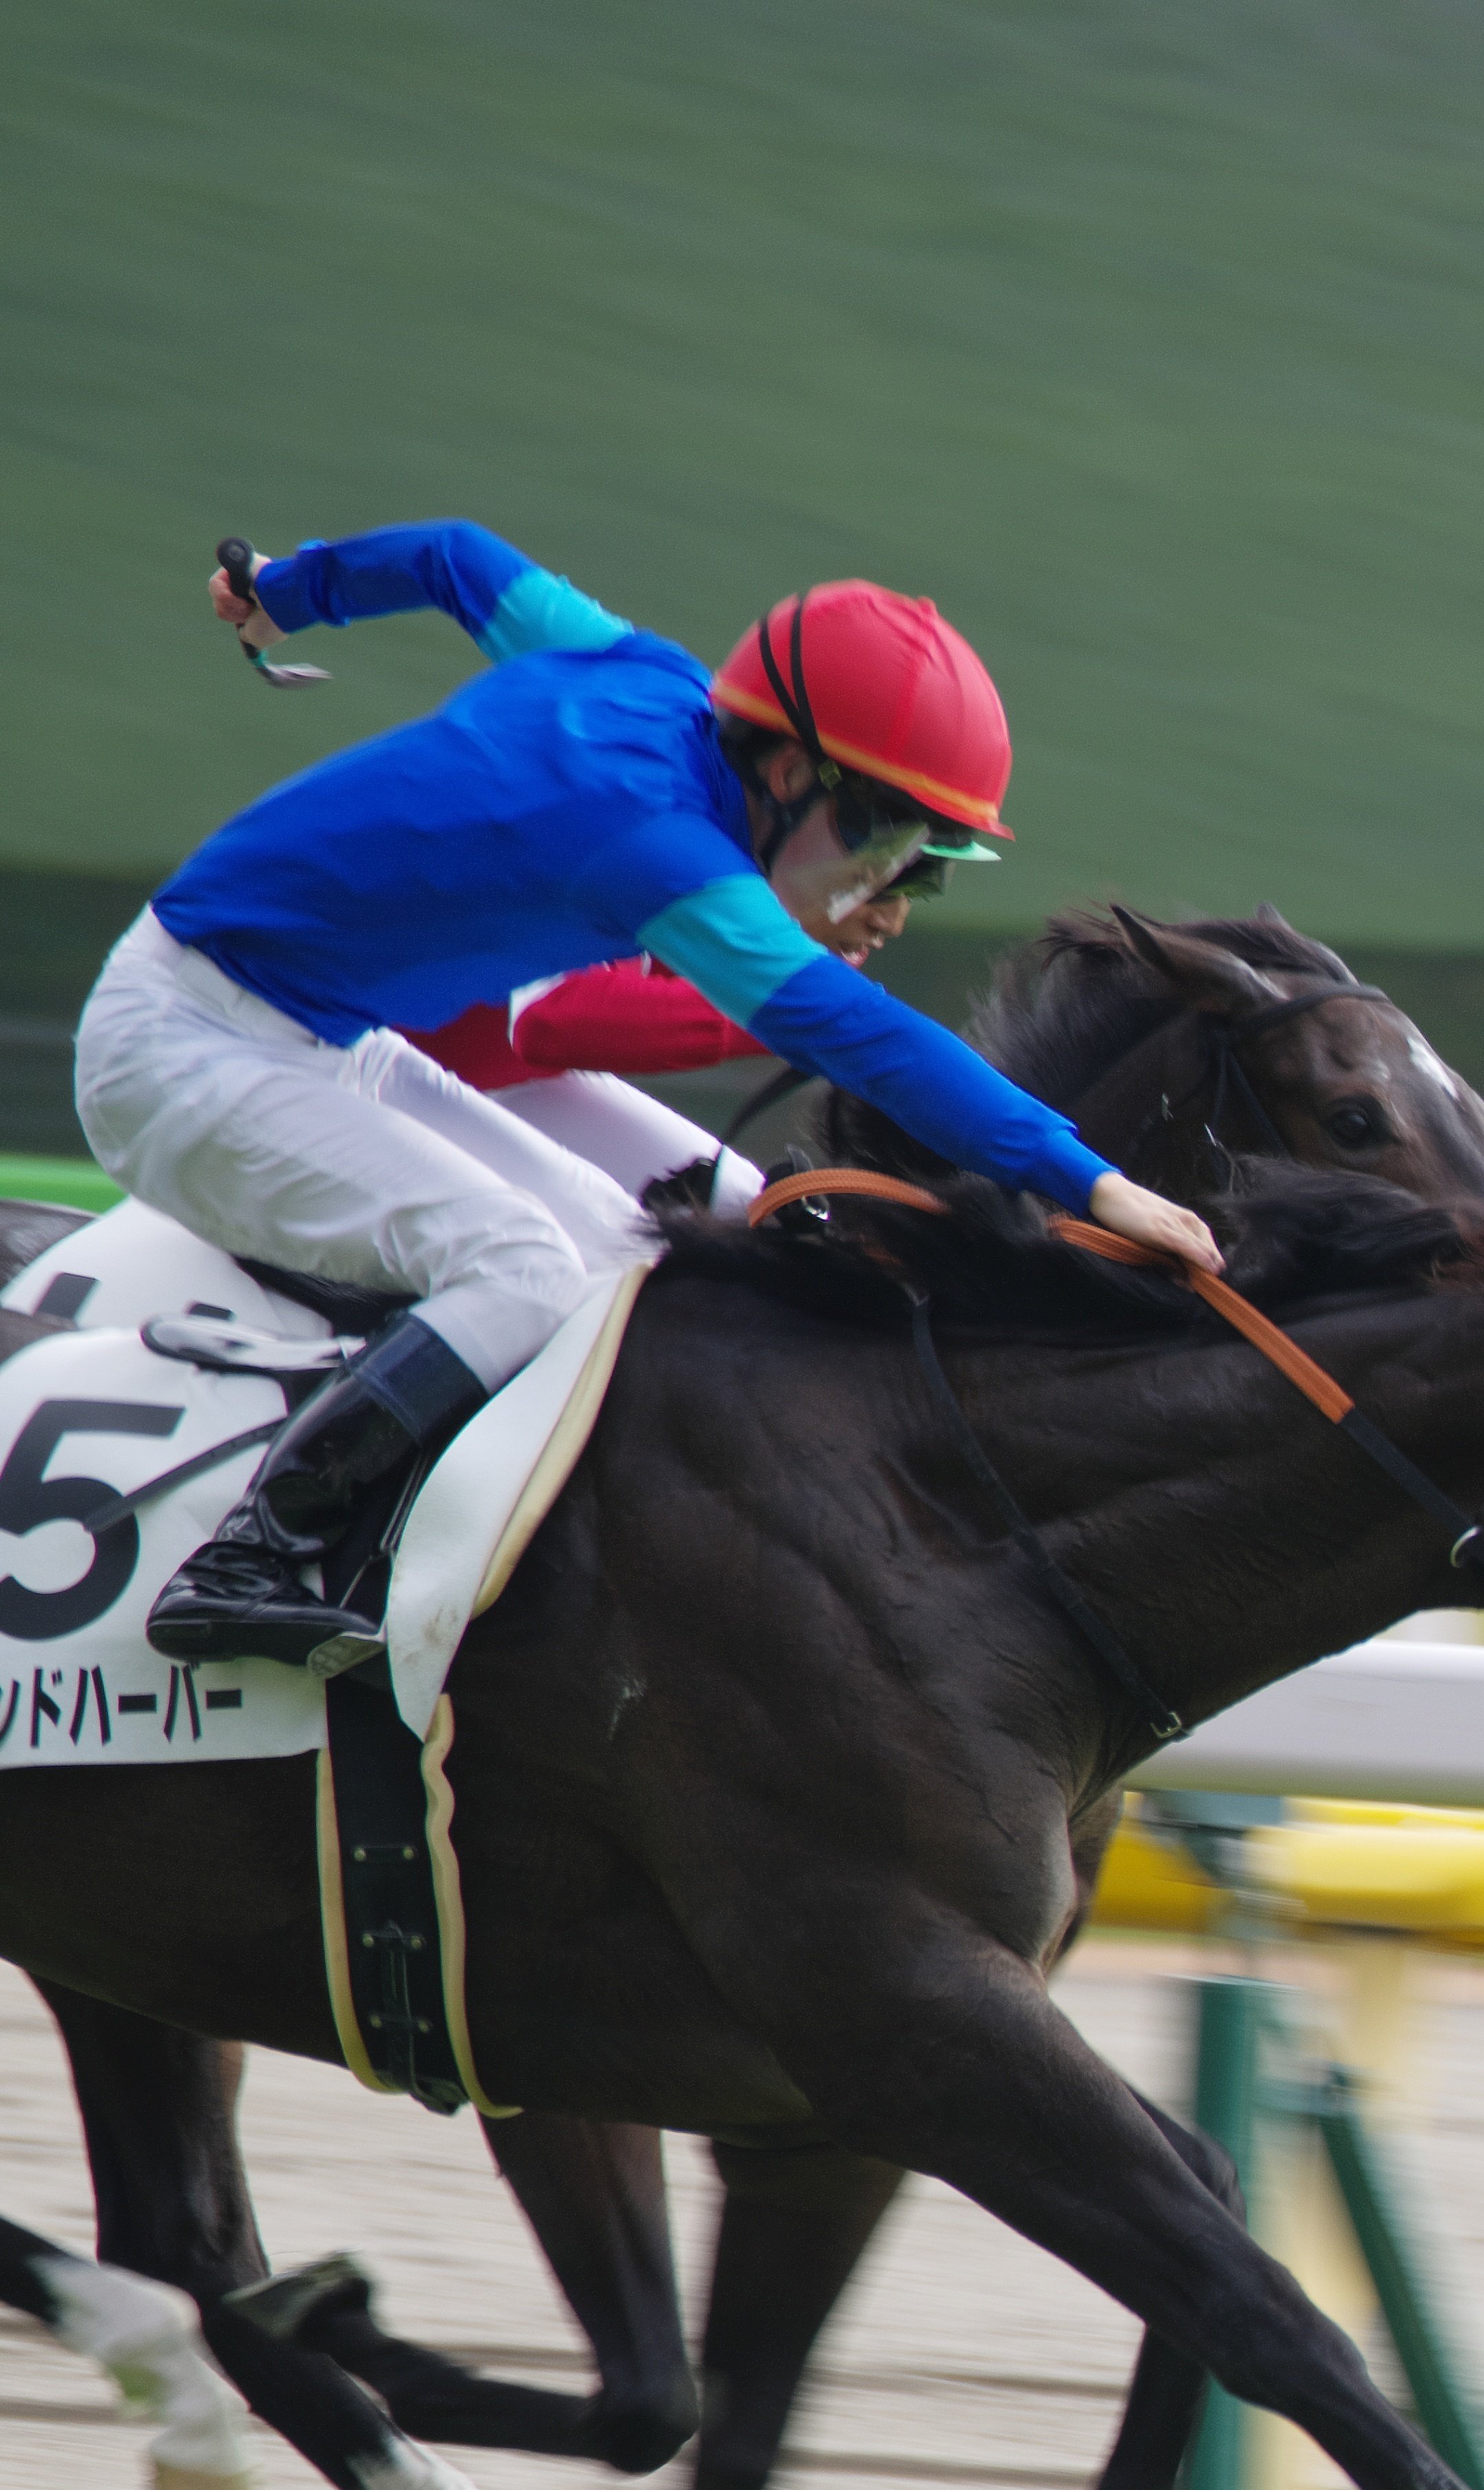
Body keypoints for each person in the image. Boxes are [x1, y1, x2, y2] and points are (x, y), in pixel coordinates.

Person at [81, 518, 1220, 1674]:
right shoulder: (661, 851)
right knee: (523, 1269)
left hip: (309, 1033)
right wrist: (1090, 1181)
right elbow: (864, 1037)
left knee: (625, 1251)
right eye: (880, 833)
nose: (884, 880)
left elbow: (457, 558)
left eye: (921, 858)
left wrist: (289, 590)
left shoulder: (641, 670)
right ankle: (251, 1558)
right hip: (177, 1051)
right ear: (786, 773)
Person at [401, 863, 932, 1214]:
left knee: (742, 1209)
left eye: (921, 883)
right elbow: (549, 1019)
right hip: (370, 1069)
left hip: (475, 1083)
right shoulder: (651, 829)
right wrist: (783, 1008)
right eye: (884, 875)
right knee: (552, 1256)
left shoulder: (715, 869)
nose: (893, 920)